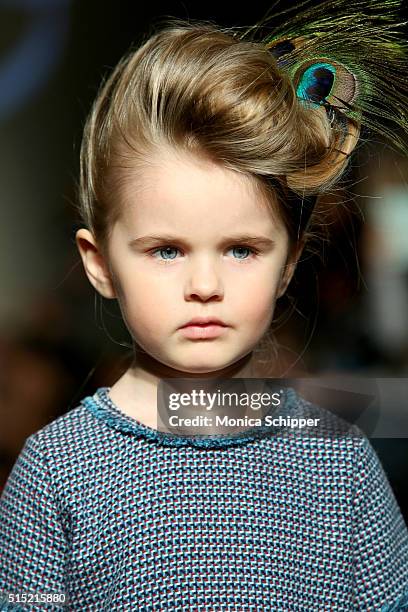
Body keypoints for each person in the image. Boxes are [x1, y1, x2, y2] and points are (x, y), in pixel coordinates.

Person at [1, 1, 408, 609]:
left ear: (289, 262)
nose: (204, 284)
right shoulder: (56, 472)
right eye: (165, 250)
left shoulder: (343, 465)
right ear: (99, 263)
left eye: (242, 249)